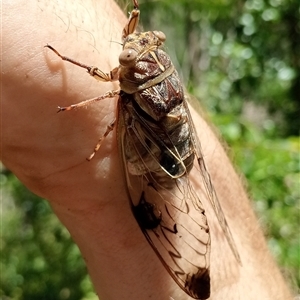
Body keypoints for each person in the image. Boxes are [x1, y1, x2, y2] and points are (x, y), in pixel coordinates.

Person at [1, 0, 293, 299]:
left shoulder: (127, 87)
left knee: (131, 149)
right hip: (174, 141)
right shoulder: (152, 72)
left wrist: (64, 59)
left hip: (153, 165)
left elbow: (102, 82)